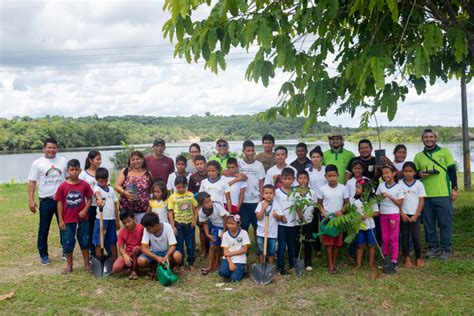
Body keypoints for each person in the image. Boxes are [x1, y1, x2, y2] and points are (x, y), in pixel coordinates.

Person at [414, 129, 458, 260]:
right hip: (425, 196)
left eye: (431, 137)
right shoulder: (418, 156)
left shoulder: (445, 152)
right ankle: (433, 247)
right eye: (426, 137)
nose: (428, 139)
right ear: (422, 139)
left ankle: (446, 249)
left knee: (445, 223)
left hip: (443, 194)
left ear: (435, 138)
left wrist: (454, 188)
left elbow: (452, 171)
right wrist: (419, 174)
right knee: (428, 223)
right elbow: (414, 174)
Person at [28, 137, 68, 265]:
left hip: (62, 200)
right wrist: (31, 200)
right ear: (44, 148)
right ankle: (43, 254)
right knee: (44, 228)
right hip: (46, 200)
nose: (51, 150)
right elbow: (32, 182)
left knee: (64, 226)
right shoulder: (37, 163)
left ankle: (66, 250)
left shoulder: (63, 161)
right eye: (49, 147)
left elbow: (69, 179)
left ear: (57, 148)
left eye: (54, 147)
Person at [55, 159, 93, 274]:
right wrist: (61, 220)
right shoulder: (62, 186)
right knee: (68, 242)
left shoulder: (84, 185)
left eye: (76, 170)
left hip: (82, 219)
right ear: (67, 171)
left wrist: (85, 210)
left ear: (80, 170)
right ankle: (69, 265)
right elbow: (60, 202)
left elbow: (90, 198)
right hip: (67, 220)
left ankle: (86, 264)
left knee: (85, 242)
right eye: (72, 170)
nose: (74, 172)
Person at [317, 164, 349, 274]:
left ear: (338, 175)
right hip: (327, 220)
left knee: (337, 243)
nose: (332, 178)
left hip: (338, 219)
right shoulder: (322, 189)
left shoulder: (343, 188)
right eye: (329, 176)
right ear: (325, 176)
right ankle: (330, 264)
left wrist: (343, 211)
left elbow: (347, 203)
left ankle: (334, 262)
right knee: (328, 243)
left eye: (334, 175)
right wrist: (323, 212)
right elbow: (319, 204)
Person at [138, 212, 183, 280]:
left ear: (156, 225)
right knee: (140, 261)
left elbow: (173, 245)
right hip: (154, 253)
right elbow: (143, 248)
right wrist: (156, 257)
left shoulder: (167, 227)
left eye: (149, 228)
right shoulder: (146, 229)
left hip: (167, 252)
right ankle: (154, 267)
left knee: (178, 256)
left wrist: (167, 255)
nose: (147, 230)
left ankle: (170, 267)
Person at [376, 165, 404, 270]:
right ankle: (385, 258)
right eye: (383, 174)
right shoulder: (381, 186)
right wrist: (380, 197)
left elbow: (400, 203)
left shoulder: (398, 187)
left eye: (388, 173)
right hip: (383, 214)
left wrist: (390, 197)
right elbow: (376, 200)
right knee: (385, 238)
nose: (385, 175)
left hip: (393, 214)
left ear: (394, 173)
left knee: (393, 238)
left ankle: (394, 260)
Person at [168, 176, 198, 271]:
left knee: (190, 244)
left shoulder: (190, 195)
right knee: (179, 244)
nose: (181, 189)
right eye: (178, 187)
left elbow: (196, 207)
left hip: (190, 224)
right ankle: (180, 264)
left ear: (186, 186)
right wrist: (173, 226)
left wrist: (194, 220)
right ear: (175, 186)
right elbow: (170, 212)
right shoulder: (172, 197)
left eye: (183, 187)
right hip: (178, 224)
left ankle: (191, 262)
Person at [400, 162, 426, 268]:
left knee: (415, 237)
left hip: (415, 215)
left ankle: (418, 258)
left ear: (415, 172)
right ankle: (407, 259)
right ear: (403, 172)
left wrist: (416, 215)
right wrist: (402, 213)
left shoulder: (419, 184)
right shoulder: (399, 184)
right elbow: (398, 201)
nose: (408, 173)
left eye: (410, 171)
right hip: (404, 215)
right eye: (406, 171)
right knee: (405, 237)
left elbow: (421, 200)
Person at [114, 151, 153, 224]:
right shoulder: (125, 171)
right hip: (127, 211)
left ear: (142, 160)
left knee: (142, 231)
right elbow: (116, 186)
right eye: (133, 159)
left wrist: (150, 206)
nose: (136, 161)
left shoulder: (148, 173)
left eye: (138, 159)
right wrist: (125, 193)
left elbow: (151, 192)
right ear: (130, 161)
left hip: (143, 210)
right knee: (130, 232)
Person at [197, 192, 228, 275]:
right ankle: (210, 265)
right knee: (213, 245)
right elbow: (205, 223)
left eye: (210, 201)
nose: (209, 203)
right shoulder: (201, 212)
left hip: (227, 225)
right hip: (216, 227)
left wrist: (224, 232)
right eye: (206, 203)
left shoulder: (217, 206)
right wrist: (207, 234)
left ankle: (220, 262)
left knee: (223, 245)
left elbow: (225, 218)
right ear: (201, 205)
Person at [238, 140, 265, 234]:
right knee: (244, 224)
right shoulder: (238, 163)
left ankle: (259, 245)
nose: (250, 153)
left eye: (252, 151)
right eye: (248, 151)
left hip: (256, 200)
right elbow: (229, 173)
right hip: (243, 200)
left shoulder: (259, 165)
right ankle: (244, 243)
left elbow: (261, 183)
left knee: (257, 224)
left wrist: (261, 199)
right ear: (243, 151)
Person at [274, 168, 298, 275]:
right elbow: (276, 206)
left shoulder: (296, 192)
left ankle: (293, 265)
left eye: (289, 178)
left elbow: (298, 207)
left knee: (292, 245)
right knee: (282, 246)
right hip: (281, 224)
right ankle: (281, 267)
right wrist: (281, 216)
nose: (287, 181)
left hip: (293, 224)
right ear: (281, 179)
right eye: (285, 178)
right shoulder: (277, 192)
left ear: (294, 179)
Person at [352, 178, 379, 270]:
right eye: (356, 187)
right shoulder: (355, 202)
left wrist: (367, 215)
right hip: (359, 227)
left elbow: (377, 212)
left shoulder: (372, 201)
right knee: (359, 245)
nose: (356, 189)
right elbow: (352, 214)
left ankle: (371, 263)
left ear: (365, 190)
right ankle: (358, 263)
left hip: (370, 226)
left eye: (358, 187)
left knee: (371, 245)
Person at [93, 167, 119, 260]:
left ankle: (115, 260)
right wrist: (99, 198)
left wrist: (117, 220)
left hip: (111, 219)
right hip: (101, 219)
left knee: (112, 240)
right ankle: (99, 260)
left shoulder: (111, 189)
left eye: (105, 180)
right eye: (101, 181)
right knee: (99, 240)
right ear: (97, 180)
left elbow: (115, 205)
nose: (103, 183)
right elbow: (97, 193)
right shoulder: (97, 187)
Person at [79, 150, 102, 256]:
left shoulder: (101, 172)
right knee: (90, 228)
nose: (99, 161)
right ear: (90, 160)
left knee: (99, 228)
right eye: (97, 159)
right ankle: (91, 250)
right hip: (89, 206)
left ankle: (98, 249)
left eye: (100, 159)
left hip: (100, 206)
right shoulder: (83, 175)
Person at [294, 170, 318, 271]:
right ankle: (297, 260)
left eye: (305, 178)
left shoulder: (312, 192)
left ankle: (308, 262)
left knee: (308, 242)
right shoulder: (294, 191)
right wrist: (300, 216)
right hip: (297, 222)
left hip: (309, 221)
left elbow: (315, 205)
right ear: (297, 180)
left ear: (308, 179)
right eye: (300, 178)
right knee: (297, 242)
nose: (303, 180)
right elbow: (295, 206)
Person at [113, 209, 144, 280]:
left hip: (140, 251)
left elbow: (146, 243)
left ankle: (134, 270)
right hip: (129, 253)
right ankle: (131, 265)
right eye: (124, 223)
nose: (127, 224)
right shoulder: (122, 232)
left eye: (129, 221)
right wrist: (125, 255)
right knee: (116, 267)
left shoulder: (141, 228)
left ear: (134, 219)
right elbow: (120, 247)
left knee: (136, 249)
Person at [187, 154, 209, 257]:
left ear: (205, 164)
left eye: (201, 163)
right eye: (197, 164)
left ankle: (214, 248)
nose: (200, 166)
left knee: (212, 227)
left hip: (211, 205)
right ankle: (204, 250)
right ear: (195, 165)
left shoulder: (211, 174)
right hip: (199, 207)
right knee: (201, 229)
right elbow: (190, 194)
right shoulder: (193, 177)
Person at [218, 215, 250, 282]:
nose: (230, 226)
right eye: (228, 223)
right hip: (228, 258)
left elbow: (244, 249)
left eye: (233, 224)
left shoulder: (244, 233)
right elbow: (225, 251)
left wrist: (231, 253)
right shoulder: (225, 234)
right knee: (222, 273)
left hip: (239, 258)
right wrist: (230, 264)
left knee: (234, 279)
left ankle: (243, 268)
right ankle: (233, 270)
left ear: (238, 223)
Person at [255, 185, 280, 266]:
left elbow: (282, 217)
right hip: (261, 233)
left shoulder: (276, 205)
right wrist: (263, 208)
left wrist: (277, 216)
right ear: (262, 194)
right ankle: (261, 265)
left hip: (272, 233)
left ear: (274, 194)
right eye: (266, 193)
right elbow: (258, 217)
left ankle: (270, 266)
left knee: (271, 251)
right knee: (261, 250)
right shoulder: (260, 204)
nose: (268, 195)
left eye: (270, 193)